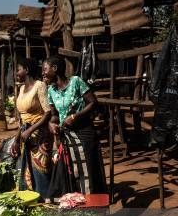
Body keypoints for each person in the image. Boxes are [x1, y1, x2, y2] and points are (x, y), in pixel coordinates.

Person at [42, 57, 107, 196]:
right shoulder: (51, 91)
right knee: (72, 173)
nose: (43, 73)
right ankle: (77, 207)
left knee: (88, 171)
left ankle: (94, 207)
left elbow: (93, 102)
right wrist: (51, 124)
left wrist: (75, 116)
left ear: (54, 68)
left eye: (45, 69)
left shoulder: (76, 82)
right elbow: (54, 115)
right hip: (67, 137)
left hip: (84, 134)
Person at [11, 58, 53, 200]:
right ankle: (33, 201)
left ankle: (46, 201)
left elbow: (48, 113)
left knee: (41, 172)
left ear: (27, 70)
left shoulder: (40, 86)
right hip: (25, 136)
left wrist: (30, 130)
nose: (16, 72)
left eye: (18, 69)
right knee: (27, 172)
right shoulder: (21, 89)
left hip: (40, 136)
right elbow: (22, 119)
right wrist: (16, 139)